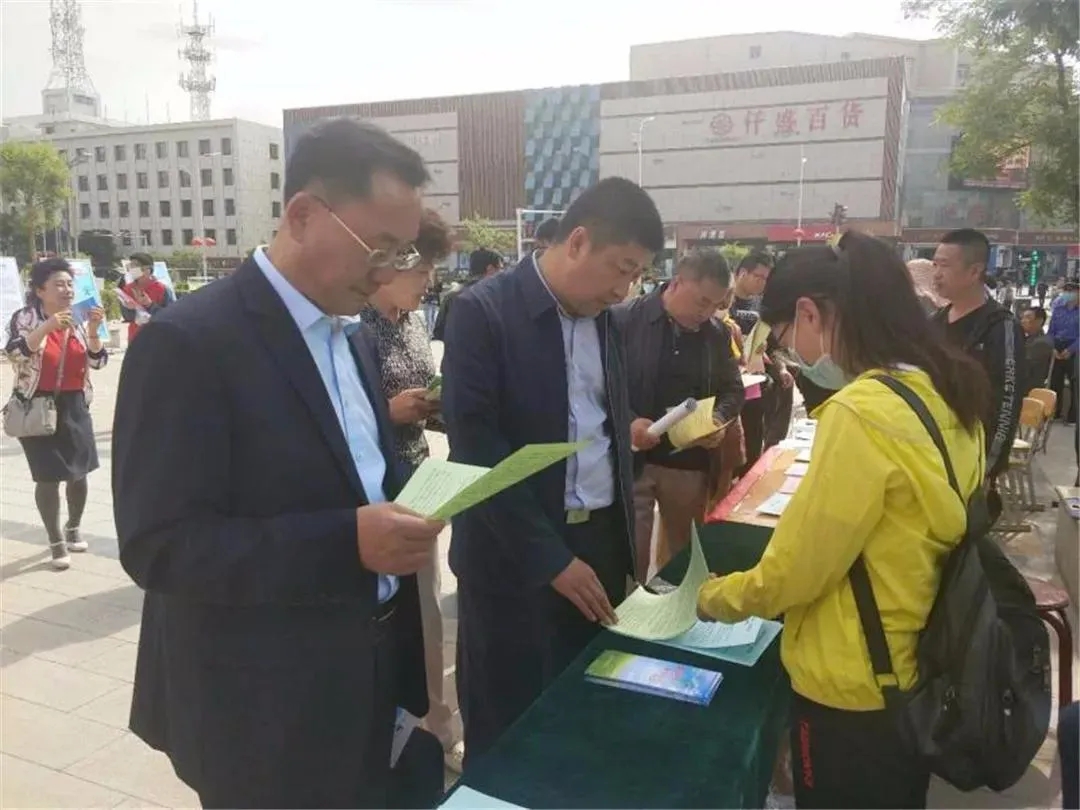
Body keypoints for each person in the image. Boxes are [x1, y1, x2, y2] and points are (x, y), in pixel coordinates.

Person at [111, 118, 446, 808]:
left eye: (403, 252)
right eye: (379, 248)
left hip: (371, 679)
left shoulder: (353, 336)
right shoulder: (190, 344)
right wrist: (346, 542)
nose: (389, 271)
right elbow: (159, 546)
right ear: (302, 215)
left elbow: (356, 477)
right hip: (262, 710)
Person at [698, 232, 989, 809]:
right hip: (920, 663)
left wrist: (713, 598)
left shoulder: (861, 412)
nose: (794, 354)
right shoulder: (943, 389)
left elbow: (798, 570)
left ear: (810, 313)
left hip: (853, 681)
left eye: (787, 338)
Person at [443, 176, 663, 766]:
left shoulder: (608, 320)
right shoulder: (481, 313)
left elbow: (604, 424)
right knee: (508, 726)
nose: (624, 289)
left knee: (584, 711)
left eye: (636, 276)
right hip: (512, 556)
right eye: (621, 269)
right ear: (578, 241)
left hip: (598, 546)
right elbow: (478, 453)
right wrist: (550, 559)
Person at [358, 207, 465, 773]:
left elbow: (423, 391)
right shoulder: (353, 326)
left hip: (421, 482)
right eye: (423, 271)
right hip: (372, 491)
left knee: (425, 609)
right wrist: (389, 411)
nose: (429, 282)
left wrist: (436, 404)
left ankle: (436, 727)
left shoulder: (414, 323)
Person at [614, 249, 744, 581]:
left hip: (689, 461)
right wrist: (627, 421)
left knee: (683, 558)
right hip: (633, 459)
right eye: (702, 302)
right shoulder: (623, 320)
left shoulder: (716, 334)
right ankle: (629, 609)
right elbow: (598, 384)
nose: (707, 312)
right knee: (629, 556)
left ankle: (676, 607)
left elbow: (733, 389)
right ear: (676, 283)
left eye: (716, 305)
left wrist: (718, 420)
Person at [5, 258, 107, 570]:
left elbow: (98, 362)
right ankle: (55, 540)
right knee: (48, 477)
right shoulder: (25, 318)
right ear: (40, 290)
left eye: (69, 284)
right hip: (36, 406)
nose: (67, 290)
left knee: (79, 473)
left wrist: (93, 330)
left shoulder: (78, 318)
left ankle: (73, 526)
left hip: (75, 405)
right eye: (59, 284)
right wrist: (47, 327)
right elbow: (15, 353)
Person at [932, 228, 1023, 507]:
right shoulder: (934, 323)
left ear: (974, 272)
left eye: (945, 265)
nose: (936, 274)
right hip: (932, 457)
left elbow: (1007, 402)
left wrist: (988, 468)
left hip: (972, 463)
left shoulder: (1000, 327)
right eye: (935, 265)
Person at [431, 248, 502, 342]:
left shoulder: (452, 296)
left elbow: (439, 334)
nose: (502, 273)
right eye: (500, 269)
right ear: (490, 269)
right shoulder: (497, 297)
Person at [119, 252, 170, 343]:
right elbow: (127, 317)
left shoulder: (162, 289)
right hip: (135, 337)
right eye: (131, 265)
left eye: (135, 265)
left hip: (157, 338)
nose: (132, 269)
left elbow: (169, 315)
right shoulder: (128, 289)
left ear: (148, 269)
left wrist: (150, 304)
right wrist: (131, 309)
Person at [1048, 281, 1079, 423]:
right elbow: (1051, 331)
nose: (1068, 294)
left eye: (1072, 291)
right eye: (1066, 291)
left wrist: (1071, 350)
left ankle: (1073, 416)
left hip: (1074, 348)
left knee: (1074, 383)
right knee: (1055, 382)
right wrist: (1053, 347)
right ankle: (1054, 412)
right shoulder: (1058, 310)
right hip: (1057, 346)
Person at [1019, 306, 1054, 395]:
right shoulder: (1028, 339)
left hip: (1029, 388)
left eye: (1028, 317)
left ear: (1039, 321)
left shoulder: (1041, 343)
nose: (1023, 321)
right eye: (1022, 318)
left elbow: (1023, 367)